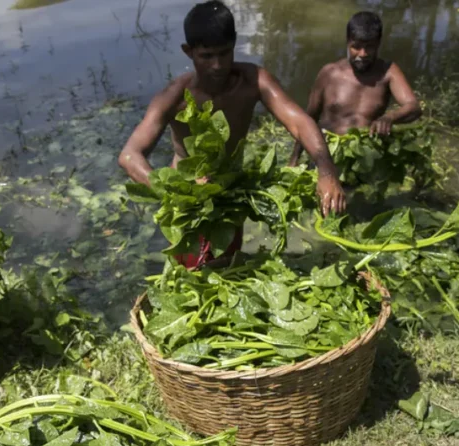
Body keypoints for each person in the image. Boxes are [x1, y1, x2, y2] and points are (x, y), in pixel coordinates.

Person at [118, 0, 346, 269]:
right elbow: (130, 156)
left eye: (225, 53)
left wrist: (327, 171)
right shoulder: (175, 97)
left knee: (228, 264)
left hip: (230, 189)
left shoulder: (253, 81)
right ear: (188, 52)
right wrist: (178, 192)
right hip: (188, 199)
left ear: (235, 44)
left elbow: (299, 122)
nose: (217, 65)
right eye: (206, 56)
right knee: (191, 271)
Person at [300, 11, 421, 142]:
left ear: (378, 44)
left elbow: (413, 107)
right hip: (327, 152)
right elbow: (309, 120)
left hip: (365, 154)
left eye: (370, 47)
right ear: (347, 42)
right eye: (356, 47)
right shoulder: (329, 73)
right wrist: (294, 160)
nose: (362, 54)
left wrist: (389, 118)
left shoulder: (388, 72)